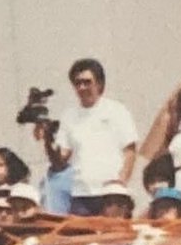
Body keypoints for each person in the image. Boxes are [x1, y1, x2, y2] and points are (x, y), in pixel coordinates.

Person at [48, 58, 140, 217]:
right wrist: (47, 140)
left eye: (87, 82)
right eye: (77, 83)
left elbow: (130, 150)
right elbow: (60, 159)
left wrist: (122, 180)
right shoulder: (69, 116)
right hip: (80, 195)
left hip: (110, 194)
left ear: (99, 83)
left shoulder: (116, 110)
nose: (82, 87)